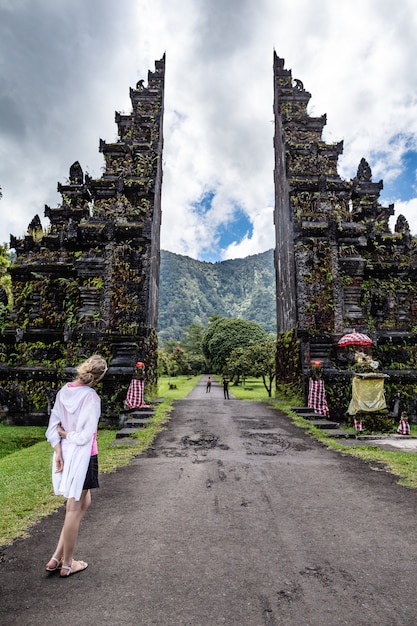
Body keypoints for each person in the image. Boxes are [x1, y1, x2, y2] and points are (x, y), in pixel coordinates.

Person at [45, 355, 107, 577]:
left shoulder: (64, 391)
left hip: (67, 454)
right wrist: (68, 435)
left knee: (83, 502)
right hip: (84, 456)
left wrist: (59, 450)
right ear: (98, 377)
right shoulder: (91, 398)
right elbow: (84, 436)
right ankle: (69, 563)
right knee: (73, 508)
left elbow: (53, 426)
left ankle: (56, 557)